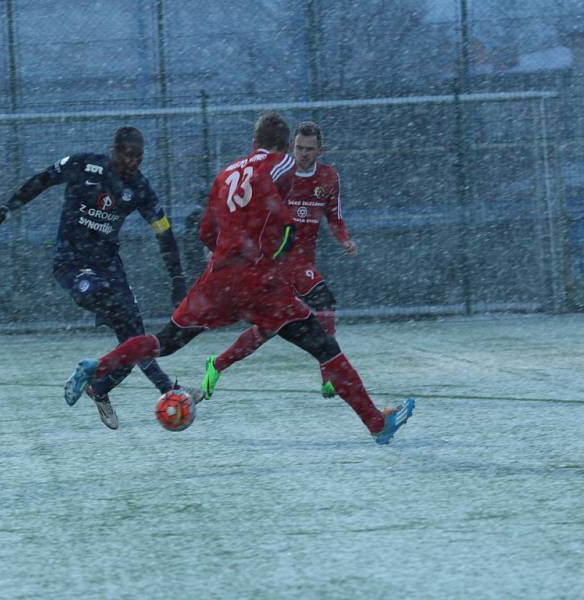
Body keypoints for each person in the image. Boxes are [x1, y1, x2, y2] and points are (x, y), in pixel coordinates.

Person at [64, 112, 414, 444]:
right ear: (283, 144)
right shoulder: (282, 164)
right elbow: (287, 205)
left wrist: (232, 251)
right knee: (325, 347)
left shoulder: (225, 175)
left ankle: (99, 365)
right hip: (260, 283)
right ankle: (376, 424)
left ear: (253, 140)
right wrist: (273, 245)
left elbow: (204, 233)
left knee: (164, 341)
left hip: (217, 281)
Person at [0, 126, 188, 430]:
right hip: (72, 263)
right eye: (128, 155)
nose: (133, 162)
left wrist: (177, 278)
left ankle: (99, 387)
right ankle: (167, 389)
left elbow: (164, 232)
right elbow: (41, 180)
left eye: (139, 157)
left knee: (134, 344)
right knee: (123, 320)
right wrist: (3, 212)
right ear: (114, 150)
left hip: (110, 266)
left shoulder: (139, 187)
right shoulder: (83, 165)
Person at [202, 121, 358, 400]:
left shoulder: (328, 178)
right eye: (299, 147)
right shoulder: (278, 174)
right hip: (276, 261)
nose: (304, 153)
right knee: (324, 302)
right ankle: (329, 375)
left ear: (320, 150)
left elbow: (335, 217)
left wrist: (343, 238)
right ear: (291, 146)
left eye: (310, 149)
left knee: (268, 328)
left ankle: (217, 364)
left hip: (302, 260)